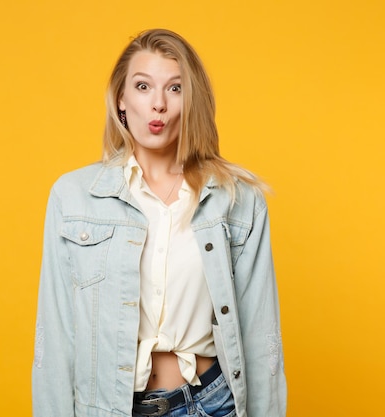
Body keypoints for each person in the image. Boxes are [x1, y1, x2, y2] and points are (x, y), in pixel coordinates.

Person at [32, 28, 286, 417]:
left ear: (191, 101)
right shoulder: (74, 197)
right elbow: (55, 341)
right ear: (121, 99)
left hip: (211, 404)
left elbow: (261, 339)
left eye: (174, 88)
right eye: (143, 86)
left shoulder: (236, 201)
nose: (158, 105)